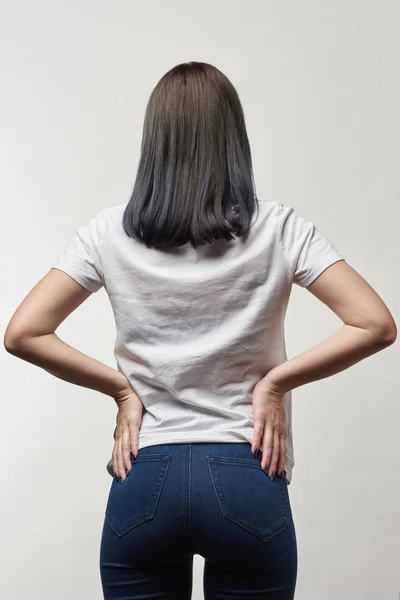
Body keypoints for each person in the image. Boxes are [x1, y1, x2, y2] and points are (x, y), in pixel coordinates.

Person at [4, 61, 396, 600]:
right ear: (233, 138)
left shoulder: (107, 233)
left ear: (154, 140)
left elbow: (24, 332)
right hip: (248, 471)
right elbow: (374, 323)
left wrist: (122, 391)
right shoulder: (280, 228)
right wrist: (274, 385)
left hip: (144, 475)